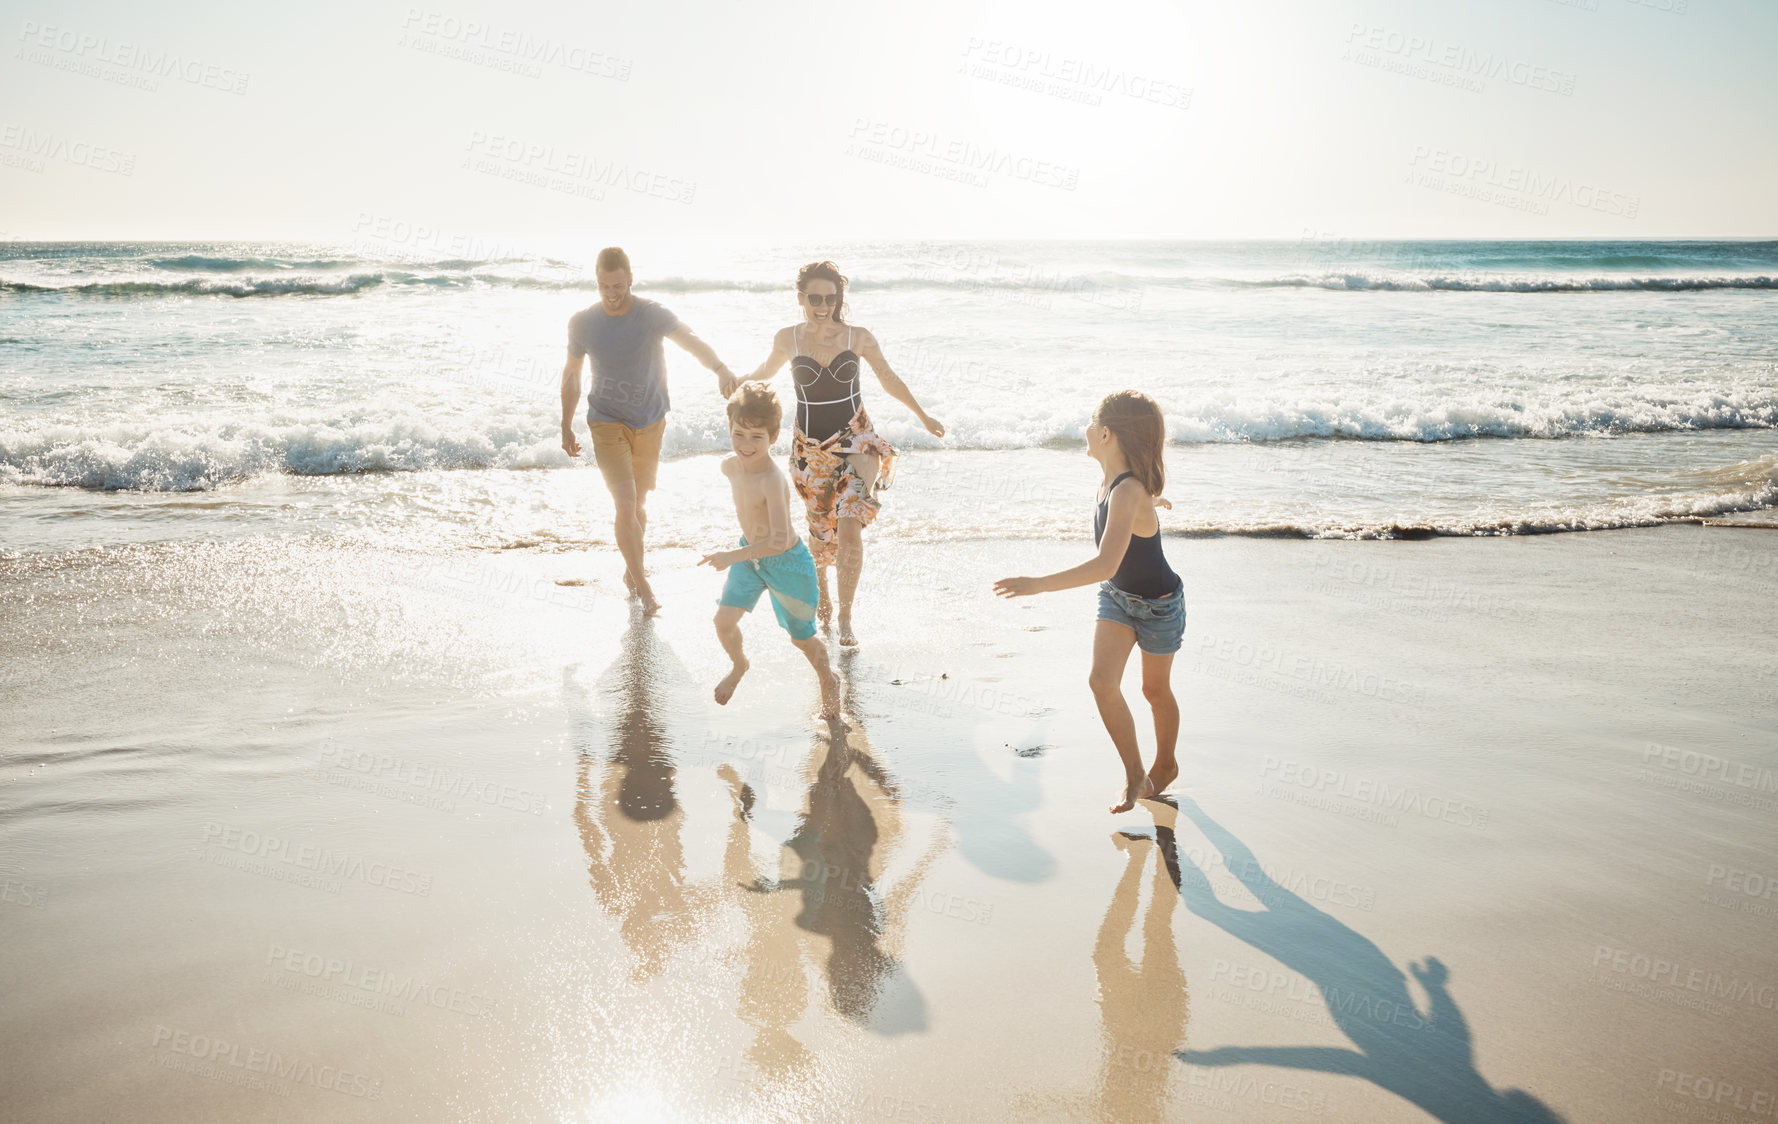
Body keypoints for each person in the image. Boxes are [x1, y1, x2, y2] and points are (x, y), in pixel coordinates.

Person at [993, 390, 1184, 814]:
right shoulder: (1116, 485)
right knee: (1102, 682)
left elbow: (1104, 564)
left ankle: (1165, 764)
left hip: (1159, 605)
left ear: (1105, 434)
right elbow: (1129, 521)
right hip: (1118, 598)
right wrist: (1151, 503)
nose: (1084, 429)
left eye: (1089, 422)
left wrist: (1038, 584)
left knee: (1154, 690)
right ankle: (1136, 775)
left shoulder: (1126, 491)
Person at [743, 261, 945, 646]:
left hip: (858, 440)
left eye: (830, 298)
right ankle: (826, 604)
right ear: (801, 298)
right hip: (810, 451)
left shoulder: (858, 337)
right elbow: (764, 373)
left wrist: (921, 415)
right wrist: (736, 383)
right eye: (815, 298)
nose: (823, 305)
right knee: (821, 533)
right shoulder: (789, 339)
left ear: (839, 299)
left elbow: (888, 378)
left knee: (849, 525)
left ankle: (848, 617)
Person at [561, 246, 740, 614]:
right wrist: (565, 424)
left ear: (630, 279)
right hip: (605, 419)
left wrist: (720, 368)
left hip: (650, 420)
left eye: (617, 285)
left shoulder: (651, 314)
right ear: (597, 282)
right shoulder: (582, 323)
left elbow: (688, 339)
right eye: (603, 286)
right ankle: (644, 587)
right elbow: (571, 375)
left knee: (639, 505)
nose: (611, 293)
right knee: (625, 503)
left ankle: (632, 569)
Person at [700, 381, 840, 719]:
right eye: (739, 434)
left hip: (786, 564)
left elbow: (778, 540)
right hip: (750, 557)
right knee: (723, 622)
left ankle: (829, 681)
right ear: (729, 429)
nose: (746, 445)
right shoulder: (729, 467)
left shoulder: (772, 480)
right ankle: (739, 665)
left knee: (802, 638)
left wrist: (729, 557)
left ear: (773, 437)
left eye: (756, 437)